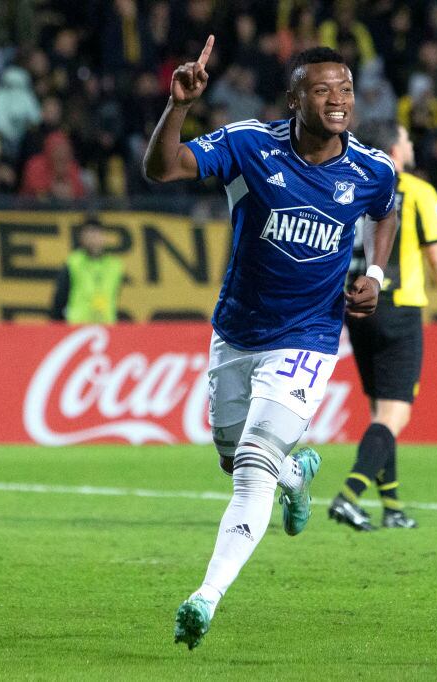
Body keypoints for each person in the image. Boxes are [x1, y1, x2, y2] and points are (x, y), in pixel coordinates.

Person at [142, 37, 398, 650]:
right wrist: (177, 106)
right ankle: (297, 472)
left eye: (344, 90)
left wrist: (376, 274)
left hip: (307, 338)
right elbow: (163, 169)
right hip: (236, 333)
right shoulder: (250, 145)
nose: (337, 101)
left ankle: (206, 597)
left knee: (249, 470)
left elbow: (387, 209)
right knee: (234, 457)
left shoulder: (371, 168)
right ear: (295, 100)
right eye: (322, 89)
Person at [329, 120, 437, 532]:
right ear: (394, 150)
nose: (411, 143)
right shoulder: (417, 192)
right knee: (394, 415)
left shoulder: (349, 185)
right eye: (406, 138)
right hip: (399, 306)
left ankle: (392, 507)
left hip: (356, 305)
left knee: (380, 410)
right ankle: (348, 496)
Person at [49, 216, 123, 323]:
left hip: (107, 326)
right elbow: (60, 298)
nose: (92, 238)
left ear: (103, 237)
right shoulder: (73, 262)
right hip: (77, 326)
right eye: (88, 234)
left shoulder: (115, 266)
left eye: (95, 233)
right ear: (82, 238)